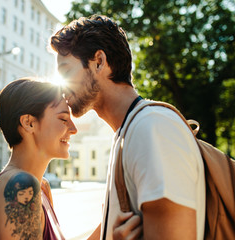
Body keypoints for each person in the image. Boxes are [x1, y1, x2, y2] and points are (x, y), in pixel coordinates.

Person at [50, 15, 206, 240]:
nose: (61, 86)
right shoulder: (127, 133)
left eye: (65, 71)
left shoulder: (152, 128)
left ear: (99, 62)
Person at [0, 77, 142, 240]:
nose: (73, 129)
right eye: (63, 119)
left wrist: (107, 228)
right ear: (29, 123)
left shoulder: (41, 187)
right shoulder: (21, 185)